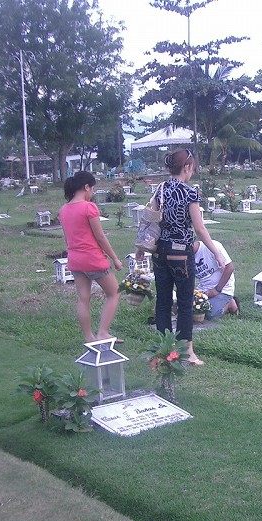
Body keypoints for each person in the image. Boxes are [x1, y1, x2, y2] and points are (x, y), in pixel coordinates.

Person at [136, 148, 225, 366]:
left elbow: (150, 221)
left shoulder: (160, 189)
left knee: (163, 300)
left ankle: (163, 349)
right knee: (185, 303)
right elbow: (200, 228)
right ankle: (188, 352)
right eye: (192, 168)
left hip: (160, 251)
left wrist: (141, 248)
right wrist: (216, 253)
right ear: (187, 167)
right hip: (181, 254)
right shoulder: (190, 193)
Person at [58, 171, 123, 343]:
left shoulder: (63, 209)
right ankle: (103, 332)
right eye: (92, 189)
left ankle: (89, 337)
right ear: (86, 187)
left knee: (83, 298)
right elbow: (100, 236)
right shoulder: (89, 207)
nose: (92, 192)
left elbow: (67, 238)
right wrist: (115, 258)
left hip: (75, 259)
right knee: (114, 293)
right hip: (93, 259)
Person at [193, 239, 239, 319]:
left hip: (223, 288)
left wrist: (216, 290)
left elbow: (229, 268)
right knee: (192, 310)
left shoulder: (212, 246)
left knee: (209, 314)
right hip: (203, 288)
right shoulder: (185, 256)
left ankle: (230, 303)